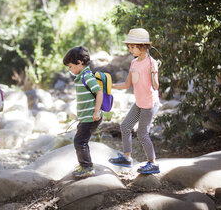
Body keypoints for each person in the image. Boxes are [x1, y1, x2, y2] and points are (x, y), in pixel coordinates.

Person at [108, 28, 160, 174]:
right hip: (139, 102)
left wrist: (154, 72)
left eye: (132, 47)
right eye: (129, 47)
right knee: (125, 126)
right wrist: (109, 86)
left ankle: (153, 163)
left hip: (149, 104)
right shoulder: (134, 63)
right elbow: (126, 84)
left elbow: (156, 86)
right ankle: (127, 158)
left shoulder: (151, 62)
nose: (130, 50)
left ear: (142, 47)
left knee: (143, 134)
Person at [63, 46, 103, 178]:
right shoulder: (81, 76)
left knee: (80, 141)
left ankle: (87, 167)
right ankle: (84, 164)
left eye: (70, 66)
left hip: (91, 117)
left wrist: (96, 111)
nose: (70, 69)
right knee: (80, 140)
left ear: (79, 62)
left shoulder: (87, 76)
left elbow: (99, 92)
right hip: (85, 117)